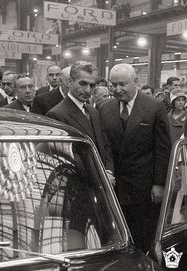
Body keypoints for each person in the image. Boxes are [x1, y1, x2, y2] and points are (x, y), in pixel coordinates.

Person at [99, 63, 171, 252]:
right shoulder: (104, 108)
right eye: (113, 85)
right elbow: (104, 146)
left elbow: (163, 149)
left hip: (144, 186)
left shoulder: (154, 107)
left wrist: (159, 183)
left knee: (143, 235)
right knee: (119, 238)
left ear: (136, 82)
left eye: (122, 84)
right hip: (116, 187)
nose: (117, 89)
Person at [46, 61, 109, 166]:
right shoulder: (56, 115)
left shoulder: (93, 111)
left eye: (92, 85)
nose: (88, 90)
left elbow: (105, 146)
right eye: (83, 84)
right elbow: (64, 157)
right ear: (70, 82)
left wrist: (108, 170)